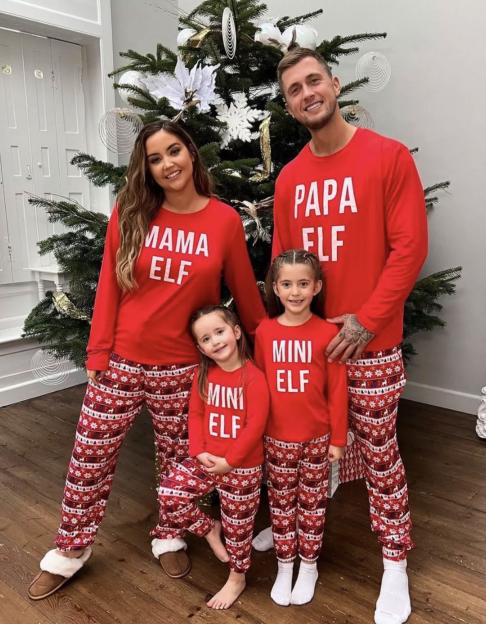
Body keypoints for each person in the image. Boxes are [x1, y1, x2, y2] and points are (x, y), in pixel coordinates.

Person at [27, 121, 265, 600]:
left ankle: (169, 532)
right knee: (89, 458)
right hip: (121, 360)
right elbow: (110, 287)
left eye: (173, 151)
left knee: (178, 463)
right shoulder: (132, 211)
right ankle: (70, 550)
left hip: (183, 367)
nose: (167, 164)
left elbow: (243, 292)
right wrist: (98, 351)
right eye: (155, 159)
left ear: (191, 154)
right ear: (147, 168)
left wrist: (268, 346)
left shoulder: (221, 221)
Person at [253, 47, 428, 624]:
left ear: (334, 82)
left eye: (313, 81)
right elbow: (282, 264)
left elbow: (410, 249)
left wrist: (368, 319)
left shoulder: (388, 157)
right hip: (307, 351)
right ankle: (291, 531)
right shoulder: (290, 178)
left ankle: (395, 564)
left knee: (380, 458)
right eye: (294, 90)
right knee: (298, 448)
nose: (307, 94)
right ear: (288, 105)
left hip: (370, 346)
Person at [155, 305, 269, 609]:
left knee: (239, 527)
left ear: (235, 331)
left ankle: (237, 578)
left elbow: (254, 425)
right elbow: (195, 414)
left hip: (241, 467)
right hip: (205, 460)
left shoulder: (254, 378)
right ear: (200, 348)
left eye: (219, 332)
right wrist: (199, 451)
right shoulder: (204, 375)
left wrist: (230, 461)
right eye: (206, 338)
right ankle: (209, 529)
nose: (215, 341)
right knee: (169, 493)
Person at [254, 249, 348, 606]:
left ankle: (309, 565)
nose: (295, 292)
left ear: (316, 287)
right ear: (275, 288)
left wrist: (337, 438)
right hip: (276, 438)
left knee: (312, 504)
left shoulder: (327, 333)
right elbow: (258, 387)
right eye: (287, 284)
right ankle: (284, 564)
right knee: (279, 504)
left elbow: (337, 391)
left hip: (317, 438)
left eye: (303, 284)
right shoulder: (264, 332)